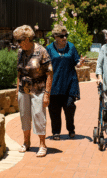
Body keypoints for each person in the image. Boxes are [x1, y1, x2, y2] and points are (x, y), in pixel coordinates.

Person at [14, 25, 53, 157]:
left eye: (19, 41)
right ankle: (26, 142)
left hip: (38, 89)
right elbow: (19, 72)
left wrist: (47, 93)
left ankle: (42, 144)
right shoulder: (20, 52)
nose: (18, 44)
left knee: (38, 115)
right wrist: (16, 90)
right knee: (24, 115)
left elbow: (49, 73)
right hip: (23, 89)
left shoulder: (41, 51)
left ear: (27, 39)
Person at [46, 24, 86, 140]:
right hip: (54, 83)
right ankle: (56, 132)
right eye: (62, 36)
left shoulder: (71, 47)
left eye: (66, 35)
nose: (65, 38)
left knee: (69, 106)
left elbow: (76, 63)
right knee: (54, 109)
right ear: (56, 37)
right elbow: (46, 65)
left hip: (69, 82)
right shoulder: (49, 48)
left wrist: (81, 63)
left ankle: (71, 128)